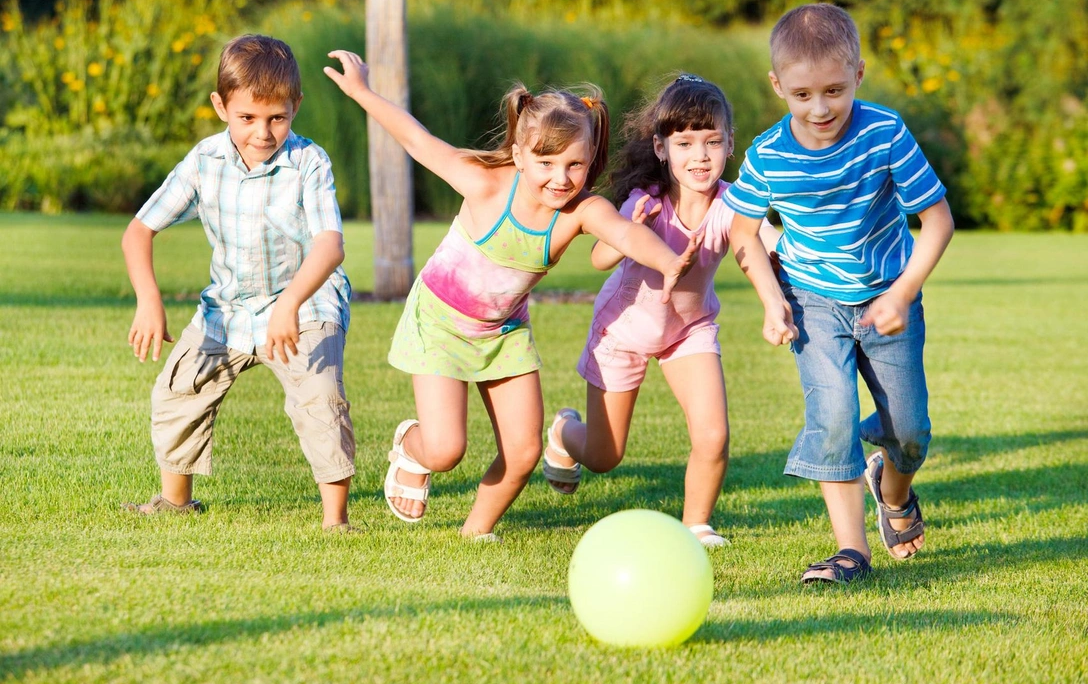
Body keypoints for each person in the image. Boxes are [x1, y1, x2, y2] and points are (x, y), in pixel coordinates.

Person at [324, 50, 699, 541]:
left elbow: (625, 234)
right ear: (520, 155)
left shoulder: (579, 212)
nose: (560, 178)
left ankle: (474, 531)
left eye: (575, 165)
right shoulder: (484, 184)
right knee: (446, 449)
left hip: (503, 333)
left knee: (522, 452)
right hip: (439, 323)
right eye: (545, 162)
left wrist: (669, 261)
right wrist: (362, 92)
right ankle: (414, 449)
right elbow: (417, 140)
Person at [723, 3, 954, 584]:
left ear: (858, 75)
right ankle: (852, 551)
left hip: (887, 298)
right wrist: (773, 300)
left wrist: (903, 294)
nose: (819, 108)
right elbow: (742, 231)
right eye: (802, 95)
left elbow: (938, 219)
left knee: (910, 430)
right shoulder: (768, 155)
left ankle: (893, 490)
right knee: (831, 417)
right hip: (813, 303)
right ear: (778, 86)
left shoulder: (884, 133)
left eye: (833, 90)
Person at [121, 34, 358, 532]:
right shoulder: (204, 161)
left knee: (319, 397)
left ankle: (335, 521)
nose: (263, 132)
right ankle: (175, 502)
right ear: (221, 106)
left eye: (277, 117)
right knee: (179, 389)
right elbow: (139, 230)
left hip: (305, 304)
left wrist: (292, 301)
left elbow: (330, 245)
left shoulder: (309, 163)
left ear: (296, 106)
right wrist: (149, 299)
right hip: (228, 309)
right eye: (247, 117)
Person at [543, 74, 780, 548]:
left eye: (712, 142)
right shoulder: (645, 202)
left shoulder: (733, 203)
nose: (700, 156)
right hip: (623, 331)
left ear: (730, 144)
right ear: (660, 147)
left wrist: (784, 286)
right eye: (686, 143)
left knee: (713, 435)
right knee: (604, 456)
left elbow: (762, 245)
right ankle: (563, 432)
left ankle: (697, 525)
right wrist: (628, 229)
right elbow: (599, 258)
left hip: (688, 331)